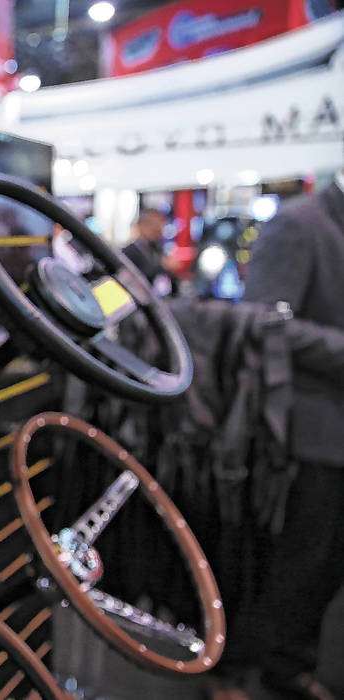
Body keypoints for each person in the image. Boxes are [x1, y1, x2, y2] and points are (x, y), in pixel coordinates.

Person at [243, 165, 344, 700]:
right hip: (308, 434)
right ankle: (276, 668)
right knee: (301, 562)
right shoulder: (302, 225)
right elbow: (263, 319)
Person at [123, 208, 175, 296]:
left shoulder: (157, 249)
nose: (158, 230)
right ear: (141, 225)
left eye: (161, 225)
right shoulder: (129, 252)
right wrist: (162, 266)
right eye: (153, 225)